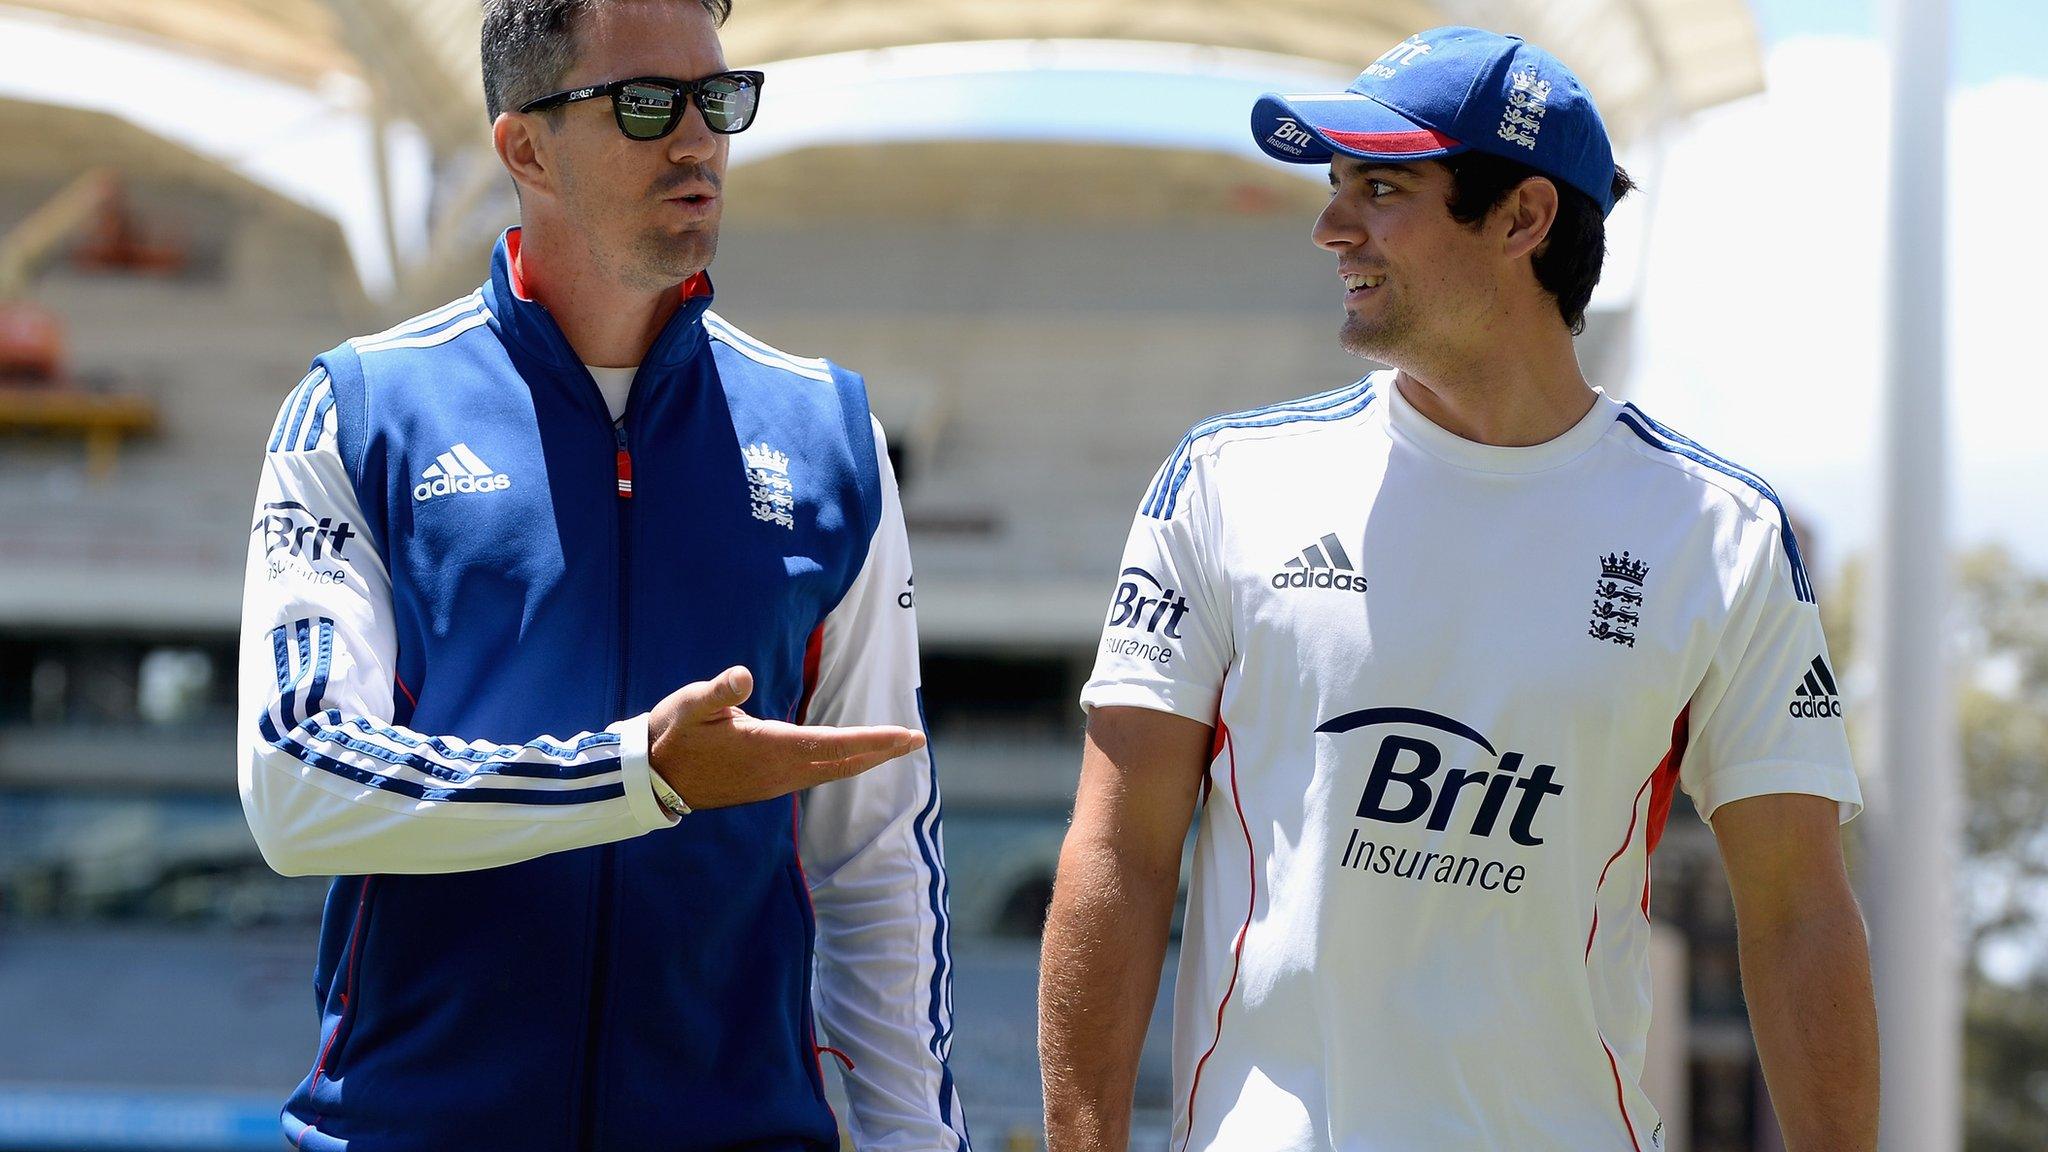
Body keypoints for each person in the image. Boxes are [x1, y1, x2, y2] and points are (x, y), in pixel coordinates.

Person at [1038, 25, 1876, 1152]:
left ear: (1523, 219)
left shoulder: (1718, 534)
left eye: (1381, 189)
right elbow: (1117, 856)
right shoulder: (1225, 481)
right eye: (1335, 186)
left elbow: (1796, 914)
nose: (1331, 227)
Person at [236, 2, 969, 1149]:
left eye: (718, 100)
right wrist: (638, 775)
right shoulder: (361, 413)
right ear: (523, 146)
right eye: (643, 104)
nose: (696, 141)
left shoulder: (831, 434)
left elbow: (874, 861)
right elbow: (296, 784)